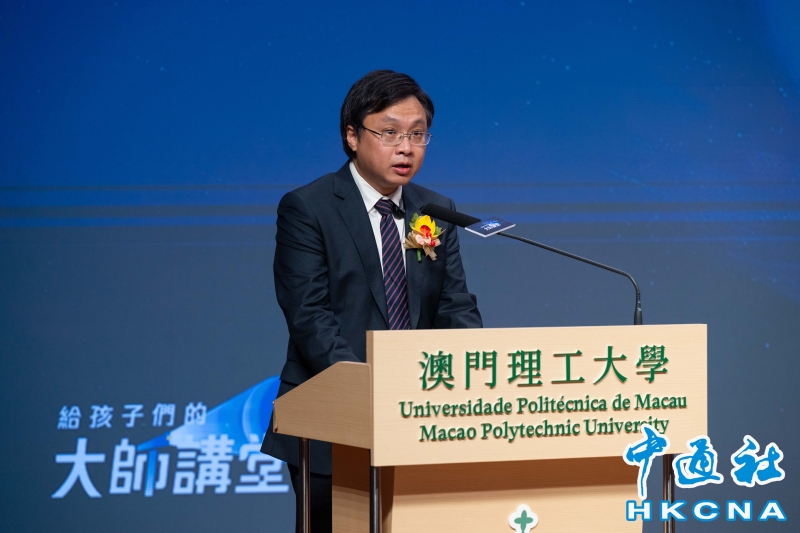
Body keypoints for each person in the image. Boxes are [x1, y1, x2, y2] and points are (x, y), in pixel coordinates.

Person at [261, 70, 483, 532]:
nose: (406, 148)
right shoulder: (309, 208)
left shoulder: (435, 209)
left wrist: (472, 372)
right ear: (352, 135)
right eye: (390, 133)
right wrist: (371, 393)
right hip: (332, 423)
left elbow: (455, 307)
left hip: (422, 422)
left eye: (418, 134)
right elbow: (310, 316)